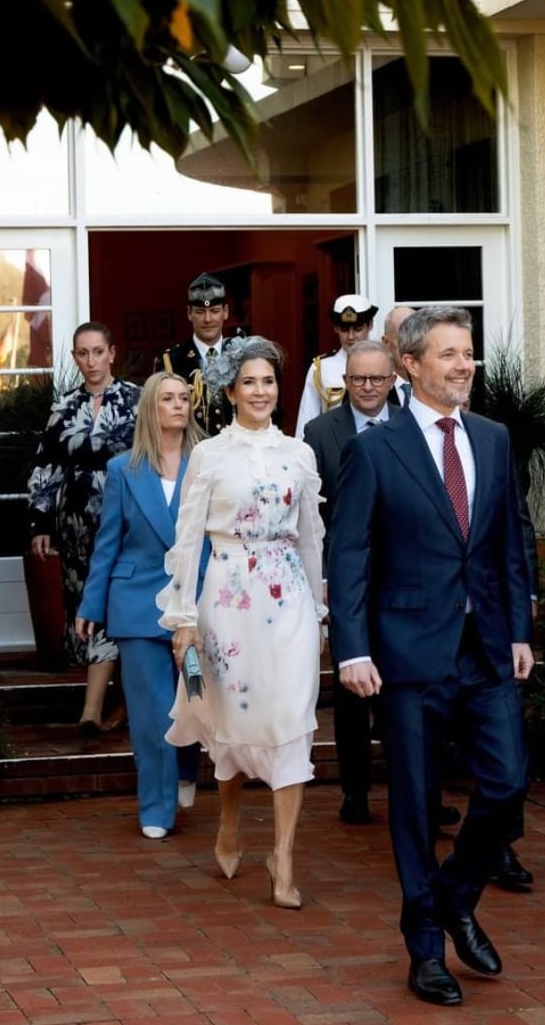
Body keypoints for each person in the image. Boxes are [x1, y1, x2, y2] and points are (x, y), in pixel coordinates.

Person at [328, 305, 534, 1007]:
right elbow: (348, 553)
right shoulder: (375, 450)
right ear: (410, 367)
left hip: (484, 652)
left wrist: (518, 630)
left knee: (506, 786)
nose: (464, 364)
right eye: (448, 354)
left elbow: (509, 540)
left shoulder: (495, 439)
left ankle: (450, 898)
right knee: (414, 807)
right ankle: (425, 950)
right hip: (408, 657)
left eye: (468, 352)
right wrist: (350, 648)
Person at [157, 337, 326, 908]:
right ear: (230, 390)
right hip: (227, 603)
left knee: (291, 720)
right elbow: (185, 541)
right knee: (233, 715)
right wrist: (181, 617)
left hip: (290, 603)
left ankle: (284, 857)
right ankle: (228, 818)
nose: (261, 391)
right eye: (250, 382)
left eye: (269, 382)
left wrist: (320, 612)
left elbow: (310, 539)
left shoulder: (299, 454)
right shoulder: (210, 456)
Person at [75, 372, 205, 839]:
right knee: (150, 713)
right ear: (151, 407)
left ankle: (187, 767)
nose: (177, 405)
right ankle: (156, 806)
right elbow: (107, 543)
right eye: (167, 398)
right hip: (138, 606)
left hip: (196, 605)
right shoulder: (122, 470)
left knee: (195, 698)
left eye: (184, 398)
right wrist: (91, 604)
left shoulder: (208, 462)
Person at [28, 321, 141, 734]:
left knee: (117, 606)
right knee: (89, 610)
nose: (91, 361)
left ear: (112, 353)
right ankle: (118, 704)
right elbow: (47, 465)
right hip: (75, 526)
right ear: (75, 357)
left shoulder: (137, 401)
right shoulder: (65, 406)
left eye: (98, 351)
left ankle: (93, 710)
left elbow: (156, 456)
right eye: (82, 353)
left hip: (127, 524)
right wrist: (41, 522)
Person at [304, 340, 397, 825]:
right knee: (350, 693)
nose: (366, 388)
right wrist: (321, 575)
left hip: (404, 582)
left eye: (376, 380)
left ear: (392, 380)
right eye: (357, 379)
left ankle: (418, 792)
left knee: (407, 691)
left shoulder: (410, 425)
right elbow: (312, 515)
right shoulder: (320, 432)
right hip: (347, 581)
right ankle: (355, 791)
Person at [155, 272, 238, 435]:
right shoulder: (170, 361)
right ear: (189, 313)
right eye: (200, 312)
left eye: (214, 311)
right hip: (190, 454)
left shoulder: (241, 355)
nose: (207, 319)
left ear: (225, 312)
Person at [294, 293, 378, 437]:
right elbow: (306, 421)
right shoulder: (321, 368)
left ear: (370, 325)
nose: (351, 336)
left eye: (357, 329)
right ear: (335, 328)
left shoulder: (384, 365)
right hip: (333, 447)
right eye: (344, 329)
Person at [381, 305, 416, 406]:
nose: (411, 344)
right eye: (402, 338)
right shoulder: (372, 387)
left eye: (415, 336)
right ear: (386, 343)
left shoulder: (436, 385)